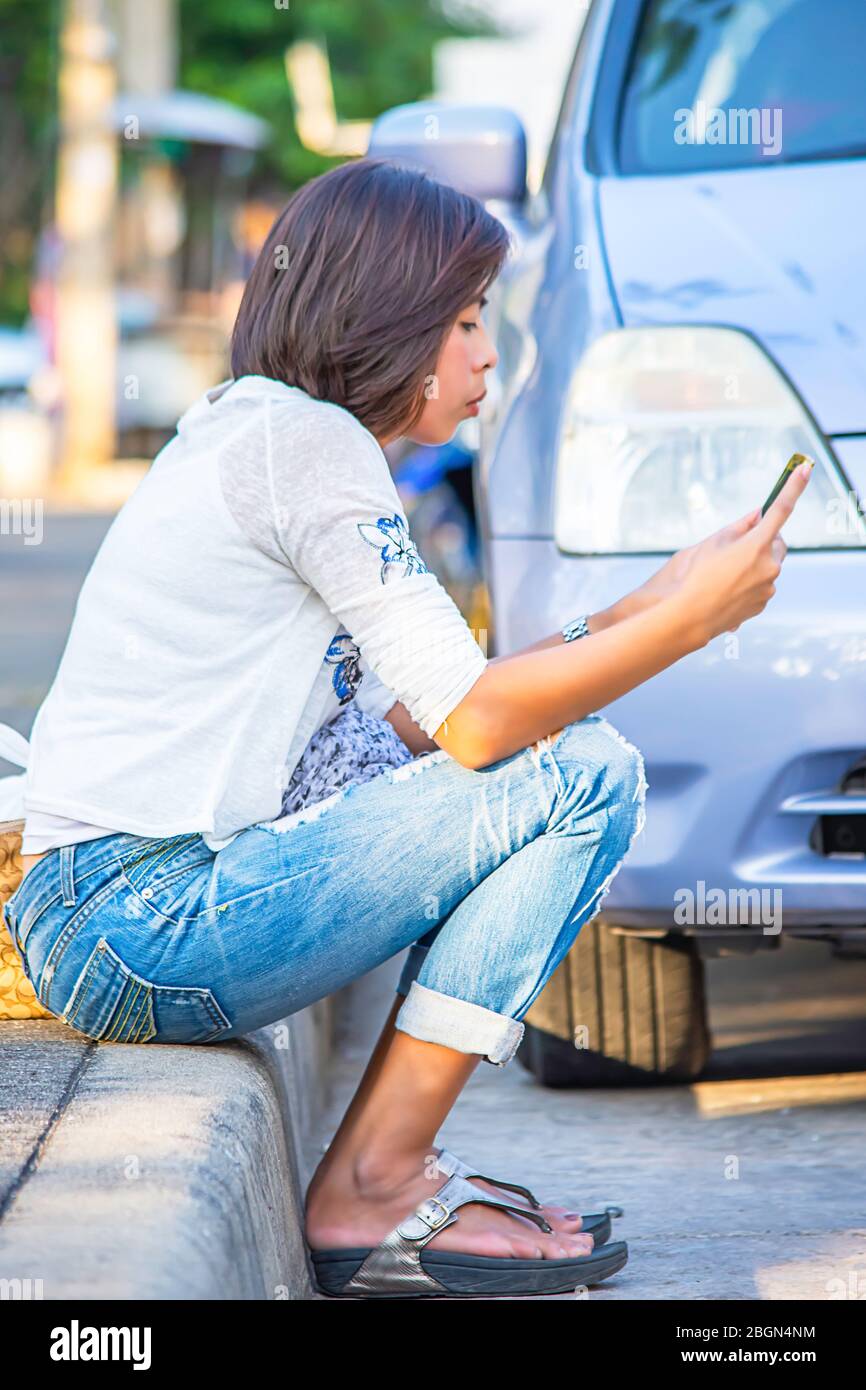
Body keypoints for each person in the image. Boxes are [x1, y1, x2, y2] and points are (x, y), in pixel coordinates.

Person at [2, 158, 811, 1299]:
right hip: (137, 915)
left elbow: (427, 721)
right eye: (468, 319)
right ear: (386, 312)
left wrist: (643, 604)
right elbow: (482, 730)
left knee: (564, 763)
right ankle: (377, 1178)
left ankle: (381, 1172)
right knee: (585, 773)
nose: (488, 354)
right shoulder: (307, 446)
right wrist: (687, 627)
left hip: (119, 914)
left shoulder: (269, 435)